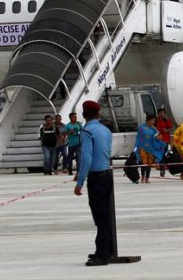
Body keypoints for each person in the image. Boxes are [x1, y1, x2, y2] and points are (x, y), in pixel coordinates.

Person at [74, 100, 114, 267]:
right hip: (107, 175)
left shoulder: (87, 131)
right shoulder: (105, 130)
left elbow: (87, 157)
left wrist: (80, 181)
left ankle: (102, 255)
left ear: (84, 115)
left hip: (96, 178)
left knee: (100, 217)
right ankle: (106, 249)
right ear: (98, 113)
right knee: (106, 215)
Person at [134, 114, 166, 184]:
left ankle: (147, 178)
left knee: (149, 163)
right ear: (148, 120)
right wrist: (137, 146)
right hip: (142, 147)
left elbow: (160, 137)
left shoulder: (154, 129)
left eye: (154, 121)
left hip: (151, 148)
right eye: (152, 121)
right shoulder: (141, 127)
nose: (153, 122)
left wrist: (157, 137)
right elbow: (139, 137)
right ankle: (143, 177)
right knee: (143, 162)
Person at [154, 108, 173, 177]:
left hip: (165, 140)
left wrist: (166, 130)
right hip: (157, 141)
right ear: (158, 113)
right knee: (159, 155)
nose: (162, 114)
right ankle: (162, 168)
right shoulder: (155, 121)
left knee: (164, 155)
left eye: (163, 113)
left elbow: (171, 128)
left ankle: (163, 168)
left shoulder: (166, 120)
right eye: (161, 113)